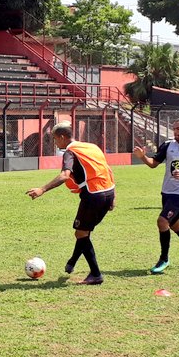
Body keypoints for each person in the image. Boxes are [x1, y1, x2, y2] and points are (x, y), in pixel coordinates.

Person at [26, 122, 116, 285]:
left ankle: (96, 275)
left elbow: (64, 176)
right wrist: (113, 197)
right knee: (83, 232)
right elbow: (108, 170)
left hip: (93, 195)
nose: (55, 143)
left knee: (81, 233)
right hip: (107, 192)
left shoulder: (70, 152)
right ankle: (72, 262)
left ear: (62, 137)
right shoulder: (92, 147)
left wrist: (42, 189)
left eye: (55, 139)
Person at [132, 116, 179, 274]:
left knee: (162, 221)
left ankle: (164, 259)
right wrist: (142, 157)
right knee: (174, 224)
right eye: (174, 129)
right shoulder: (167, 145)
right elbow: (153, 164)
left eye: (178, 129)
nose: (175, 132)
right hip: (167, 191)